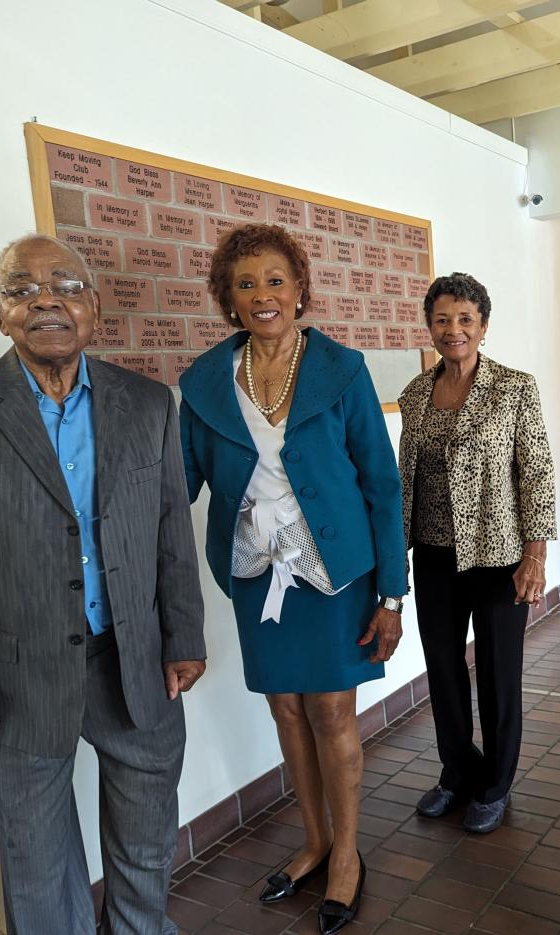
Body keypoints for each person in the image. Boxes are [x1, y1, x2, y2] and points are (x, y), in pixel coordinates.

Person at [0, 234, 208, 934]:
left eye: (65, 286)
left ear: (93, 306)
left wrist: (184, 635)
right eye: (22, 288)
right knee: (36, 862)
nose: (45, 299)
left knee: (147, 840)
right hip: (16, 679)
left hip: (134, 662)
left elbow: (170, 532)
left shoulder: (150, 403)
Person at [178, 223, 406, 935]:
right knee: (285, 710)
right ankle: (313, 840)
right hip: (256, 574)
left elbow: (381, 482)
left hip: (336, 574)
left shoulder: (342, 369)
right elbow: (179, 485)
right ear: (229, 298)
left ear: (300, 288)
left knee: (333, 712)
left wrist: (392, 594)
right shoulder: (206, 381)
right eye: (245, 284)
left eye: (275, 280)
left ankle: (347, 854)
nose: (262, 295)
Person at [397, 272, 557, 834]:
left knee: (497, 672)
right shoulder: (417, 393)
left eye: (465, 319)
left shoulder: (514, 387)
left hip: (499, 556)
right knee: (442, 668)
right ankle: (457, 773)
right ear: (430, 327)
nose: (453, 329)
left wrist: (535, 556)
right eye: (442, 319)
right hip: (435, 556)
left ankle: (495, 784)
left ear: (483, 327)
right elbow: (404, 477)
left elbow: (536, 473)